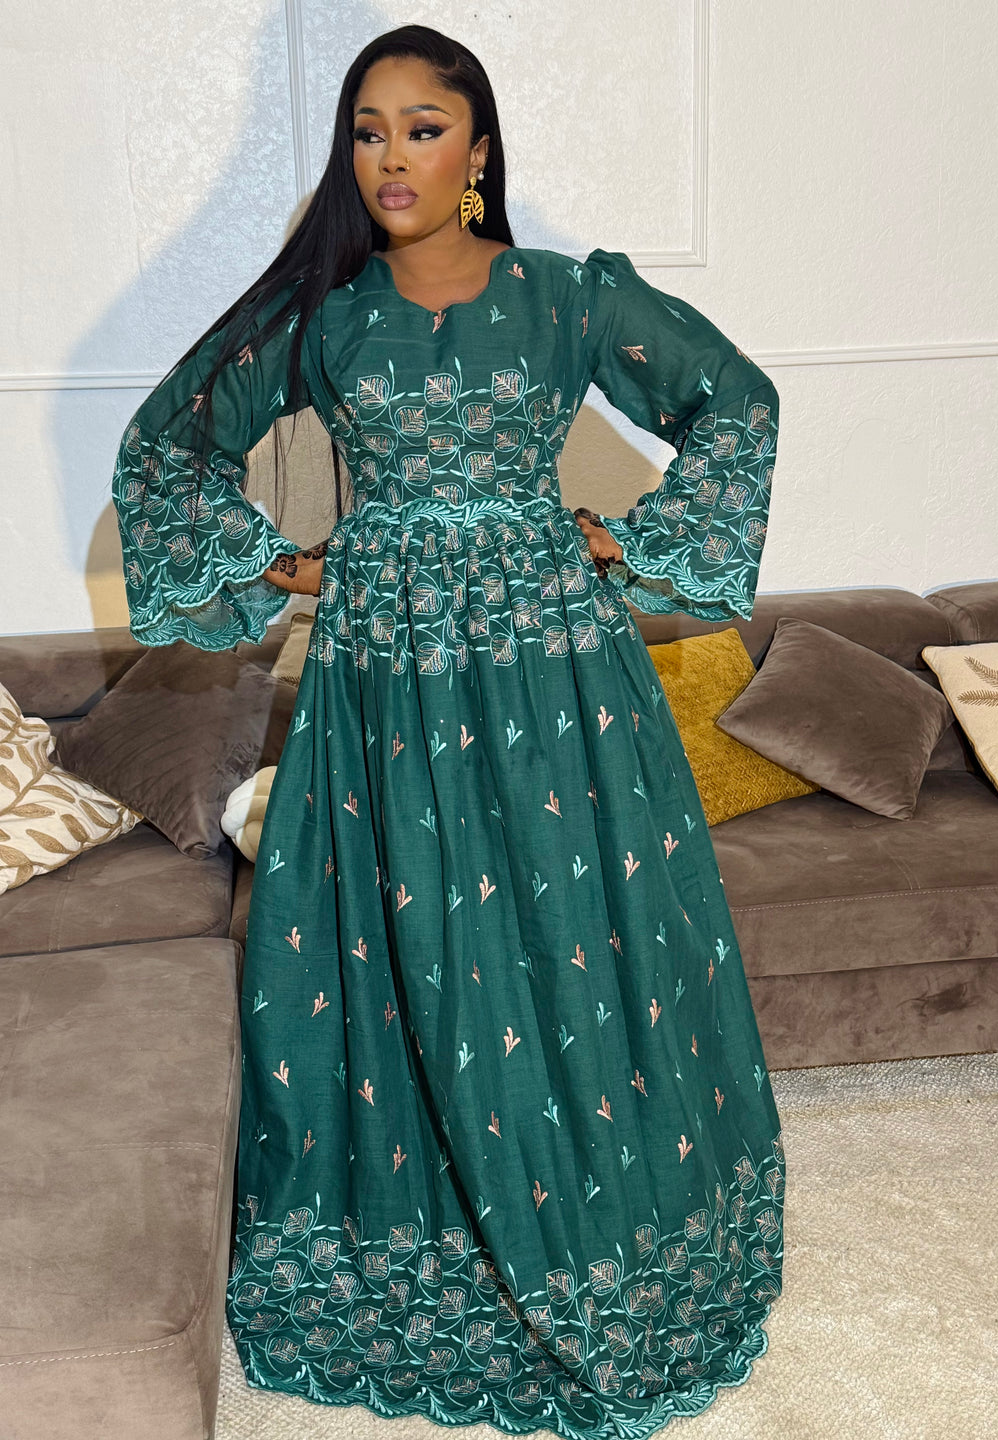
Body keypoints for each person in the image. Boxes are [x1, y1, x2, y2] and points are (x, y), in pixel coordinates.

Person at [111, 24, 785, 1438]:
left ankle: (605, 1238)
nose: (391, 157)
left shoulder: (567, 298)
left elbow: (736, 397)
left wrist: (632, 541)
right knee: (397, 942)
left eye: (423, 128)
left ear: (478, 148)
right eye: (368, 131)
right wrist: (287, 564)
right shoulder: (327, 317)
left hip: (559, 687)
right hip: (386, 687)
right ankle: (427, 1254)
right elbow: (169, 441)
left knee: (580, 935)